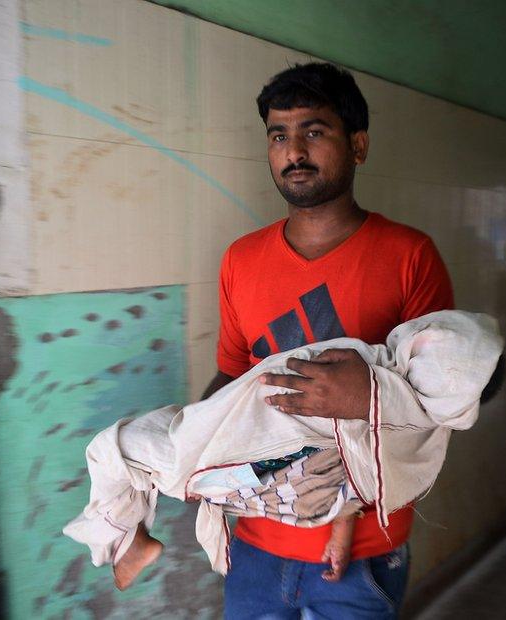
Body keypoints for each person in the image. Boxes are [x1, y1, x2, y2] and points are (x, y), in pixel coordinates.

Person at [201, 62, 454, 618]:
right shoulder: (241, 260)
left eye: (314, 132)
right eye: (278, 135)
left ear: (358, 145)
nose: (294, 151)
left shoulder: (409, 256)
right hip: (258, 545)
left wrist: (365, 395)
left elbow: (447, 396)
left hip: (364, 554)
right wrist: (192, 447)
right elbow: (230, 376)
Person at [61, 310, 503, 598]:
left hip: (268, 472)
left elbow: (277, 394)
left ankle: (123, 541)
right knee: (165, 465)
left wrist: (206, 443)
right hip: (293, 497)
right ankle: (132, 536)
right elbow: (361, 468)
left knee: (113, 449)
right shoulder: (418, 427)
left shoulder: (364, 368)